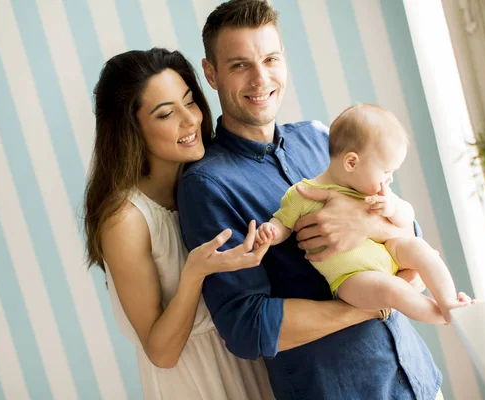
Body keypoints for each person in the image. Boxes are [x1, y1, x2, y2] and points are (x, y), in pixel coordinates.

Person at [178, 1, 449, 399]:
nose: (260, 78)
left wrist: (367, 225)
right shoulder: (207, 185)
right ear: (211, 74)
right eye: (240, 65)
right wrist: (378, 302)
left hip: (419, 380)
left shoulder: (322, 138)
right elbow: (248, 326)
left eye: (270, 59)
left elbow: (408, 234)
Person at [83, 47, 274, 400]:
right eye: (166, 114)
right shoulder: (125, 219)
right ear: (132, 129)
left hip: (256, 366)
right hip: (195, 383)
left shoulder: (208, 186)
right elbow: (162, 353)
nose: (191, 120)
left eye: (190, 102)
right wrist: (194, 273)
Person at [256, 104, 473, 325]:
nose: (389, 179)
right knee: (393, 289)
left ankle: (449, 303)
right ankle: (445, 318)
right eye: (386, 171)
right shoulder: (303, 195)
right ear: (351, 162)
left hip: (390, 254)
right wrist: (271, 232)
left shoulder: (371, 190)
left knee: (422, 250)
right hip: (353, 278)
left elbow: (407, 219)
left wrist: (392, 208)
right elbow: (283, 223)